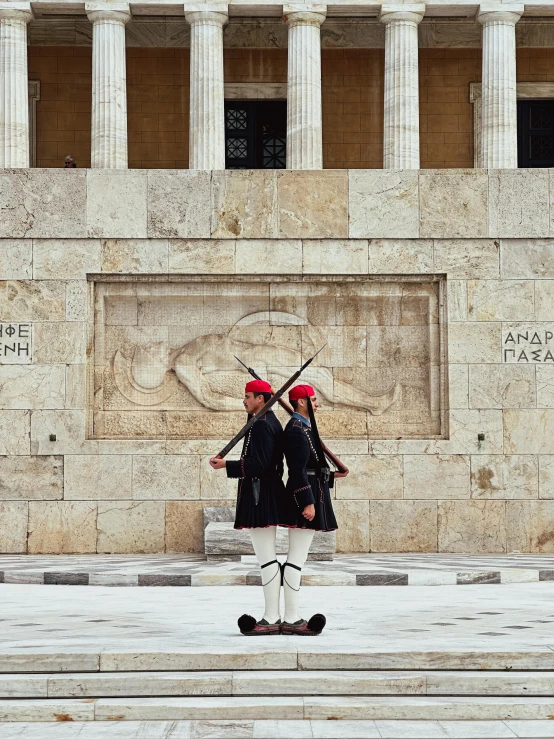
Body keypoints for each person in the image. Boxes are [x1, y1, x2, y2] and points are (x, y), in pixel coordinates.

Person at [210, 379, 285, 636]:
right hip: (261, 494)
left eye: (248, 396)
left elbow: (259, 464)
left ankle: (272, 616)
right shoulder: (262, 422)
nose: (244, 400)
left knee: (267, 560)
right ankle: (274, 613)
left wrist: (226, 466)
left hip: (261, 495)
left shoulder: (264, 425)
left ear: (261, 399)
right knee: (268, 559)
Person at [279, 384, 338, 636]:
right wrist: (307, 501)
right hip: (306, 496)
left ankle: (291, 614)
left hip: (314, 491)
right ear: (301, 402)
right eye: (313, 400)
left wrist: (333, 473)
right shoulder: (295, 430)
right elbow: (297, 470)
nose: (317, 404)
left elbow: (313, 464)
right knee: (296, 558)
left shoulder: (304, 427)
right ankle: (291, 616)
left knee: (298, 557)